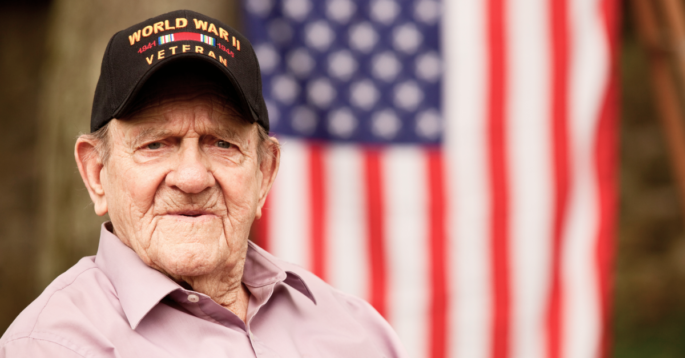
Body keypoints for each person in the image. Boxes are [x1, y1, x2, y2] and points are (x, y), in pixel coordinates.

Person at [0, 10, 407, 358]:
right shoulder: (51, 346)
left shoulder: (355, 334)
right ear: (96, 173)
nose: (192, 178)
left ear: (265, 173)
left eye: (222, 143)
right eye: (156, 144)